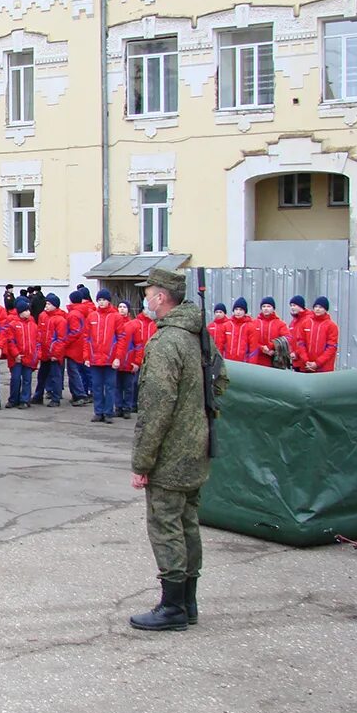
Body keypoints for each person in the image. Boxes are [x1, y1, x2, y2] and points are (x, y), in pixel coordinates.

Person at [129, 268, 228, 632]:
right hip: (197, 445)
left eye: (150, 293)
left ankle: (172, 607)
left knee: (166, 524)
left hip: (171, 453)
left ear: (161, 297)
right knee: (187, 523)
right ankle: (188, 602)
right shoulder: (197, 334)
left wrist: (142, 462)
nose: (147, 300)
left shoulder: (167, 341)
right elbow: (222, 380)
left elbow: (155, 408)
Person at [85, 289, 124, 423]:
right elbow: (86, 337)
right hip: (95, 359)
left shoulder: (116, 317)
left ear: (109, 301)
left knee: (110, 387)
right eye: (99, 300)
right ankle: (98, 412)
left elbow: (121, 339)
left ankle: (108, 413)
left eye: (104, 300)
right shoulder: (92, 316)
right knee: (96, 386)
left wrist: (118, 357)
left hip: (110, 359)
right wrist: (86, 356)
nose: (101, 302)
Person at [4, 297, 39, 409]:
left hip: (29, 356)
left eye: (28, 310)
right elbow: (11, 341)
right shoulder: (13, 324)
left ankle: (25, 399)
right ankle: (13, 399)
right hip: (17, 357)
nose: (28, 312)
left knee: (27, 379)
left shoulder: (33, 325)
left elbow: (37, 341)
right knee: (15, 378)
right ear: (20, 312)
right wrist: (15, 354)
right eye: (26, 310)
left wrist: (37, 355)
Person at [115, 300, 146, 419]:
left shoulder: (133, 325)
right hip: (117, 361)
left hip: (129, 361)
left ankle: (127, 408)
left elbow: (138, 344)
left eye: (124, 307)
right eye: (120, 306)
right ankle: (118, 407)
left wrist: (137, 361)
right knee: (117, 386)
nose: (122, 309)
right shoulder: (115, 322)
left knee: (128, 386)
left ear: (128, 310)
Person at [39, 294, 69, 407]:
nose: (46, 305)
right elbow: (40, 333)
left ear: (55, 306)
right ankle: (38, 395)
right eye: (46, 303)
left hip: (54, 354)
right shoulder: (43, 316)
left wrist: (56, 353)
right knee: (42, 375)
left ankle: (56, 398)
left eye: (49, 304)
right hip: (45, 352)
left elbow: (61, 339)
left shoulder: (60, 320)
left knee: (56, 376)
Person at [297, 296, 340, 373]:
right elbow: (300, 343)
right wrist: (306, 360)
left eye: (320, 307)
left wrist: (317, 363)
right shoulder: (306, 323)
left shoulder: (331, 326)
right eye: (316, 307)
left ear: (325, 310)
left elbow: (331, 347)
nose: (317, 309)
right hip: (306, 366)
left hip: (324, 368)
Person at [64, 292, 92, 406]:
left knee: (73, 372)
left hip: (73, 348)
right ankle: (78, 394)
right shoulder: (83, 312)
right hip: (81, 346)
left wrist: (65, 342)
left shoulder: (73, 314)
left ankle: (80, 395)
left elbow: (75, 331)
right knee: (80, 371)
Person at [246, 297, 289, 368]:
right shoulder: (254, 323)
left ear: (273, 308)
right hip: (256, 360)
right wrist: (262, 348)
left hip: (274, 361)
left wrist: (272, 346)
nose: (266, 308)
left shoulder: (280, 324)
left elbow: (288, 338)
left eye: (268, 306)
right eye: (263, 306)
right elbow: (248, 340)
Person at [221, 297, 253, 362]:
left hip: (244, 362)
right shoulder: (226, 325)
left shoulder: (250, 326)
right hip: (228, 361)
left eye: (241, 310)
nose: (238, 312)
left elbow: (253, 348)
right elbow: (220, 345)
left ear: (245, 311)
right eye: (236, 309)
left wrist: (251, 364)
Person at [287, 295, 310, 371]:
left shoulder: (308, 320)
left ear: (301, 306)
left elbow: (307, 341)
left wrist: (297, 353)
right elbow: (290, 340)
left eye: (294, 305)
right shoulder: (293, 323)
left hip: (305, 362)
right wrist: (291, 352)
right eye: (291, 305)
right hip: (295, 361)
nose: (292, 307)